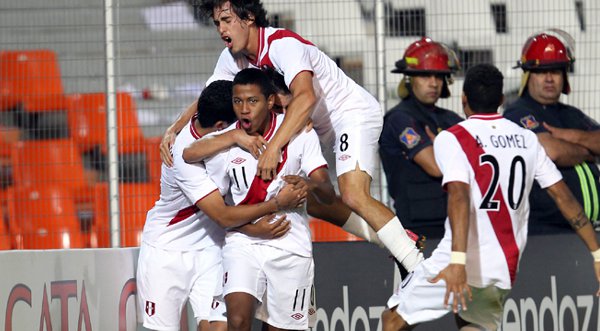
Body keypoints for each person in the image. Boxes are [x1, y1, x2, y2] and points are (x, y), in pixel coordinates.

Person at [161, 0, 423, 274]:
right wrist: (176, 127)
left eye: (226, 20)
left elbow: (306, 96)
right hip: (319, 126)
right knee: (317, 204)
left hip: (350, 113)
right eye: (217, 23)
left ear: (248, 17)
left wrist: (274, 147)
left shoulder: (282, 44)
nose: (221, 29)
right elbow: (210, 95)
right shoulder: (232, 57)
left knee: (353, 194)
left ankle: (417, 267)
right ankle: (398, 241)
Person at [381, 64, 600, 331]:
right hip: (502, 267)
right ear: (500, 101)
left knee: (392, 321)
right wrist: (597, 254)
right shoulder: (527, 139)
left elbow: (459, 197)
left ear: (463, 99)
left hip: (458, 259)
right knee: (472, 325)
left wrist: (458, 262)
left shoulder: (453, 138)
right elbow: (564, 197)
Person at [136, 80, 304, 331]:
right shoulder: (183, 155)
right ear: (221, 126)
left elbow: (204, 97)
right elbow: (223, 215)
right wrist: (275, 205)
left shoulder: (221, 135)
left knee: (222, 327)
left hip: (212, 248)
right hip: (168, 252)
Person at [198, 68, 336, 331]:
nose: (244, 109)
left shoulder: (300, 134)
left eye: (252, 101)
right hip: (243, 242)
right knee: (236, 321)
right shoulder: (227, 140)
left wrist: (307, 185)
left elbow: (328, 191)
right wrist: (251, 228)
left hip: (289, 246)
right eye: (238, 101)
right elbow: (219, 206)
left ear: (270, 101)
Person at [504, 30, 600, 234]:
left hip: (587, 230)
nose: (549, 79)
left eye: (555, 71)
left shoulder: (572, 114)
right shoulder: (517, 113)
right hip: (546, 232)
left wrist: (569, 136)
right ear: (528, 75)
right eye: (541, 72)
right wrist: (588, 152)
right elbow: (552, 151)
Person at [379, 37, 463, 238]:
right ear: (409, 78)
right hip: (419, 229)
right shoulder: (399, 119)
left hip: (455, 221)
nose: (434, 83)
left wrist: (439, 145)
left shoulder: (451, 118)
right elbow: (434, 165)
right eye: (425, 75)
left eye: (439, 76)